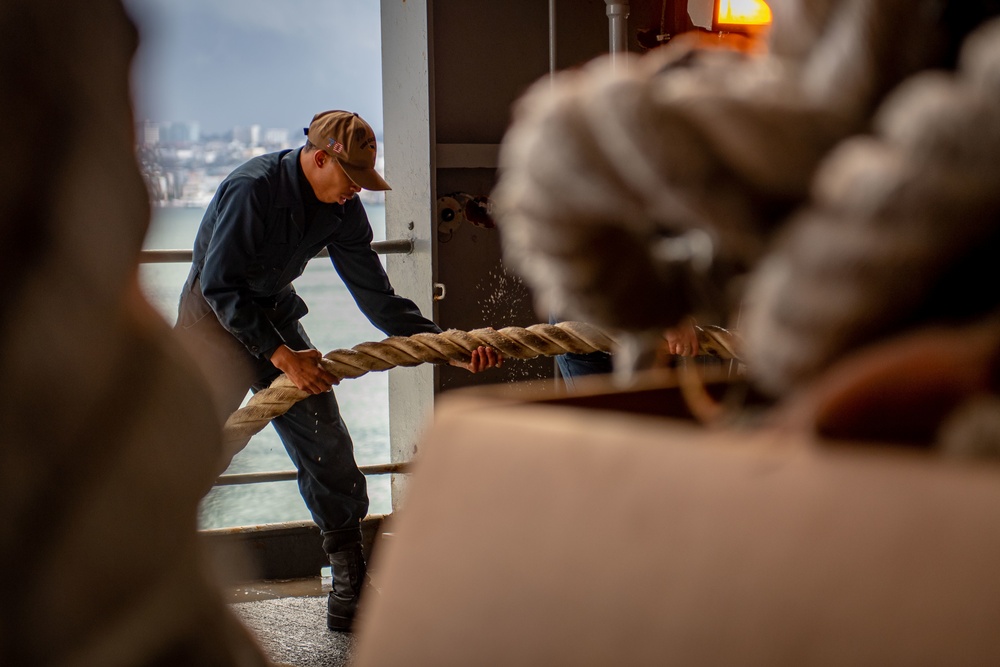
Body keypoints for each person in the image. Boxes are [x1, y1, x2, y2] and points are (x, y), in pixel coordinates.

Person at [176, 109, 501, 632]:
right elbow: (220, 288)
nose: (358, 192)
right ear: (318, 157)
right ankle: (160, 583)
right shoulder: (251, 189)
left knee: (327, 444)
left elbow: (378, 299)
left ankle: (350, 590)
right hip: (212, 329)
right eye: (351, 180)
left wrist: (443, 346)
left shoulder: (345, 211)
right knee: (189, 455)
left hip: (276, 321)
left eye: (363, 183)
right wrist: (284, 359)